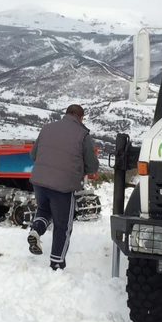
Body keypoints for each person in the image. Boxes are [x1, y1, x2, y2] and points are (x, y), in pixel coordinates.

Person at [27, 104, 99, 270]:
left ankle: (36, 230)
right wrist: (78, 172)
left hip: (39, 182)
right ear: (81, 118)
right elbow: (92, 165)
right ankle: (57, 263)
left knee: (44, 210)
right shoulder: (82, 134)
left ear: (65, 114)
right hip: (63, 186)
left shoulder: (47, 128)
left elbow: (33, 154)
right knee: (63, 226)